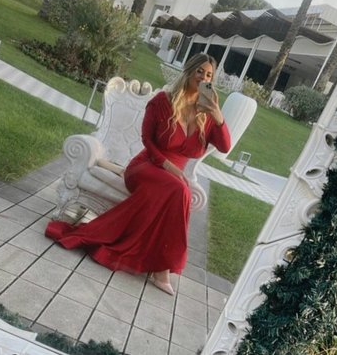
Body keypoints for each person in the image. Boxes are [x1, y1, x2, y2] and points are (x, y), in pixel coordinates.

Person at [45, 53, 231, 295]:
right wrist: (169, 166)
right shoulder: (163, 101)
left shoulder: (207, 114)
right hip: (147, 166)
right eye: (199, 71)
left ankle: (160, 266)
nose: (203, 78)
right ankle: (161, 270)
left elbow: (225, 147)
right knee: (179, 189)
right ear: (189, 71)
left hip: (171, 179)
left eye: (208, 75)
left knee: (176, 191)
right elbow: (147, 140)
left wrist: (217, 115)